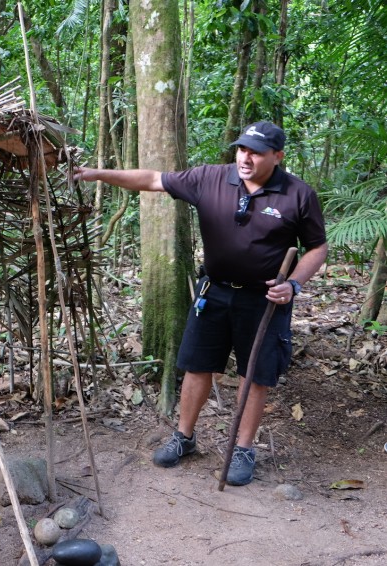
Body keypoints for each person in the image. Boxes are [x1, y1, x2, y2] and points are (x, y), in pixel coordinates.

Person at [74, 121, 328, 486]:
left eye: (256, 152)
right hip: (215, 291)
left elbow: (318, 247)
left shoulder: (297, 194)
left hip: (265, 299)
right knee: (197, 365)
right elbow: (152, 180)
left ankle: (243, 448)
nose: (246, 157)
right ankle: (184, 437)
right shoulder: (210, 178)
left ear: (278, 156)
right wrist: (97, 174)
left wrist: (294, 284)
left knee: (255, 375)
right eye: (242, 149)